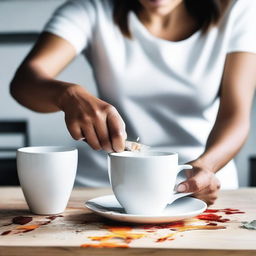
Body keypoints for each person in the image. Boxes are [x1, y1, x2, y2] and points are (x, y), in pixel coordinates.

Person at [10, 0, 256, 205]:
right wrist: (68, 95)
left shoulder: (238, 9)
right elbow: (24, 83)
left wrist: (206, 166)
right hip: (103, 185)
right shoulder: (91, 9)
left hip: (195, 183)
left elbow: (235, 114)